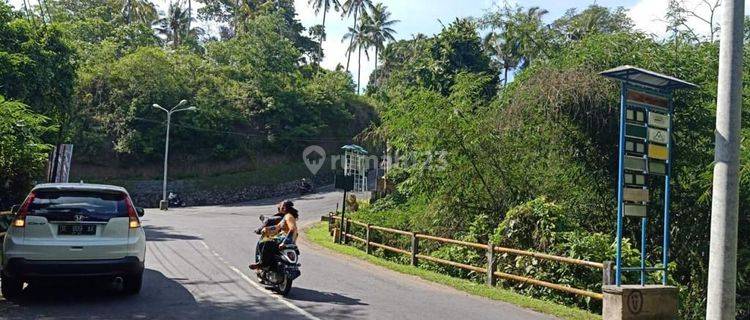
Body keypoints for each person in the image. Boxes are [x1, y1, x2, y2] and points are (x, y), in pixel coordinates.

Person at [249, 200, 299, 270]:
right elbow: (277, 227)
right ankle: (272, 265)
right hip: (284, 238)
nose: (279, 207)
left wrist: (285, 242)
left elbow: (292, 229)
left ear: (284, 208)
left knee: (265, 243)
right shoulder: (286, 217)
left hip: (284, 239)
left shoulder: (288, 216)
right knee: (269, 244)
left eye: (280, 206)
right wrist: (267, 229)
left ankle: (263, 264)